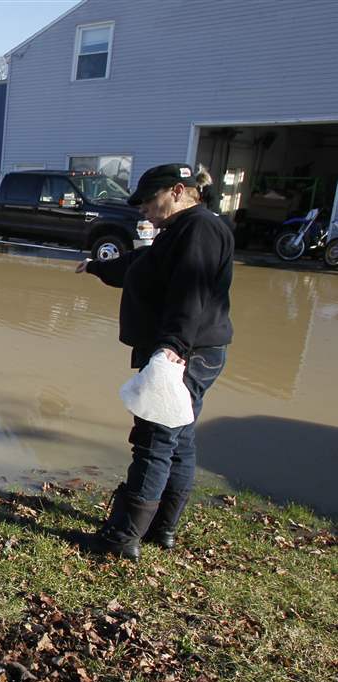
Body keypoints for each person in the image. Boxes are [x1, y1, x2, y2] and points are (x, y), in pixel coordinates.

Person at [75, 163, 234, 560]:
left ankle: (122, 538)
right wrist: (95, 267)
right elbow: (137, 266)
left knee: (154, 441)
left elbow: (191, 291)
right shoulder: (176, 232)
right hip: (184, 350)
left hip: (183, 353)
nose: (143, 208)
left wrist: (172, 348)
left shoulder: (199, 229)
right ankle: (161, 530)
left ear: (178, 191)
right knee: (178, 440)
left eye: (149, 200)